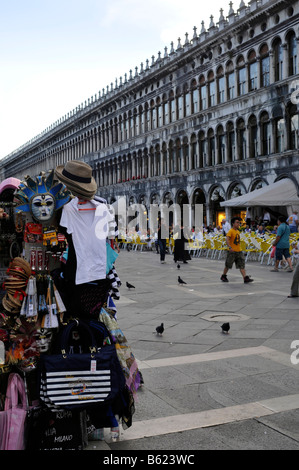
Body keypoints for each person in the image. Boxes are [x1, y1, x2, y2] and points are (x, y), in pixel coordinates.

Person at [220, 216, 253, 283]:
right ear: (233, 223)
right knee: (228, 265)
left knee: (242, 265)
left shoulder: (238, 231)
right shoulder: (230, 231)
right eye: (237, 223)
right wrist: (229, 247)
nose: (239, 224)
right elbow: (227, 239)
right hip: (232, 251)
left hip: (239, 251)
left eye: (239, 223)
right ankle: (223, 276)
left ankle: (245, 278)